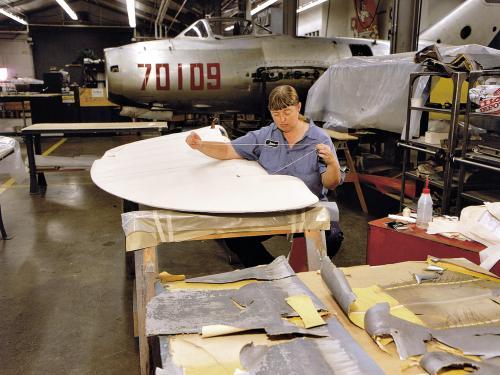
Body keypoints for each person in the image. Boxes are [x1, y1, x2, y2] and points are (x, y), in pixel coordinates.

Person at [186, 85, 344, 267]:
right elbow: (229, 149)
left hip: (308, 209)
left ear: (298, 107)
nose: (282, 119)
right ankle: (272, 271)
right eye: (276, 114)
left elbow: (330, 183)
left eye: (287, 112)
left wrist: (332, 163)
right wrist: (200, 145)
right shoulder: (265, 136)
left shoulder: (320, 139)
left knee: (332, 237)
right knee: (235, 237)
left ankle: (302, 271)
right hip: (271, 208)